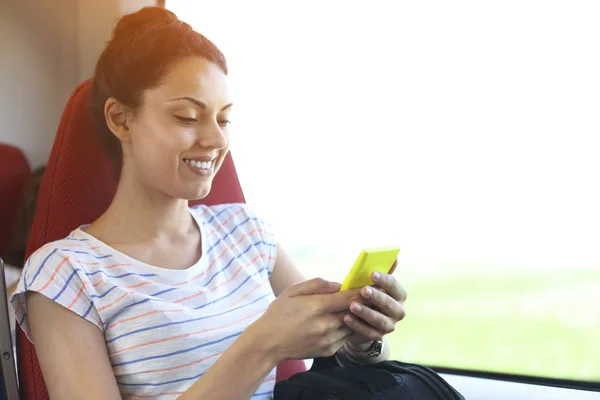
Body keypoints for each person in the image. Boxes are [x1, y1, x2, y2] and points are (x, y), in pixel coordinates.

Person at [10, 7, 407, 400]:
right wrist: (261, 345)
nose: (216, 140)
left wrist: (361, 340)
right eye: (187, 117)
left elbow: (343, 352)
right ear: (120, 119)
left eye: (223, 119)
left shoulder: (247, 232)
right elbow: (264, 344)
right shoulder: (65, 275)